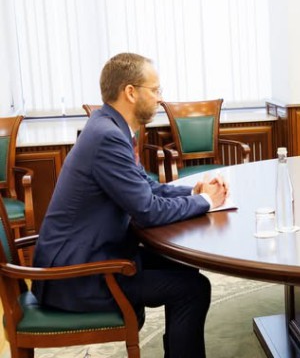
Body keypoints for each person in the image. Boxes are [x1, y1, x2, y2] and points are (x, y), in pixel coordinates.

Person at [32, 52, 228, 358]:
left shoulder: (107, 127)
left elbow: (145, 187)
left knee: (184, 265)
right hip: (77, 276)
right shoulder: (107, 136)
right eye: (156, 90)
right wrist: (204, 202)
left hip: (94, 254)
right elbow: (147, 211)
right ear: (131, 92)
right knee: (193, 289)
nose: (161, 98)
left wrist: (194, 191)